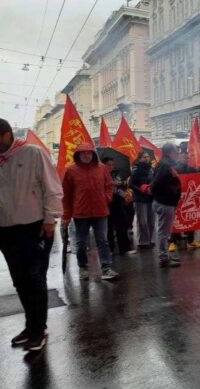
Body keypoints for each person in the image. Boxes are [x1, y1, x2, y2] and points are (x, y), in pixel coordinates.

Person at [0, 118, 63, 352]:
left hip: (34, 227)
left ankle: (39, 330)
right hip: (6, 230)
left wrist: (50, 219)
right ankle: (30, 326)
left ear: (7, 134)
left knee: (35, 279)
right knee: (20, 281)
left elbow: (52, 187)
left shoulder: (32, 153)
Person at [62, 142, 119, 281]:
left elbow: (109, 185)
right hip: (81, 212)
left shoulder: (102, 168)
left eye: (89, 152)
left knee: (103, 240)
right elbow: (66, 194)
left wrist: (106, 198)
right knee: (81, 242)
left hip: (100, 211)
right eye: (83, 153)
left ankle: (106, 267)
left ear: (93, 154)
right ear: (78, 155)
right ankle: (83, 267)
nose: (86, 155)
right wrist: (66, 215)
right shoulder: (71, 170)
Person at [151, 143, 183, 268]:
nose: (178, 154)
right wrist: (172, 191)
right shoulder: (165, 165)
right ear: (170, 152)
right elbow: (157, 183)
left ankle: (165, 256)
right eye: (176, 152)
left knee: (164, 232)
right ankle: (163, 258)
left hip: (164, 201)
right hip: (165, 202)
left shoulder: (164, 164)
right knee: (163, 233)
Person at [170, 151, 200, 250]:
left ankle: (190, 240)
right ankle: (172, 241)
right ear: (179, 157)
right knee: (175, 219)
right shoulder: (174, 168)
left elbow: (198, 179)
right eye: (183, 156)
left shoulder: (191, 169)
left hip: (189, 197)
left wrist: (199, 170)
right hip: (177, 197)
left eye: (187, 157)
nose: (185, 158)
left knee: (190, 218)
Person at [104, 158, 133, 255]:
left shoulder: (116, 174)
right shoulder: (100, 175)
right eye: (108, 165)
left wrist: (122, 188)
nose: (111, 167)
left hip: (118, 202)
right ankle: (110, 249)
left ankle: (124, 248)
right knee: (108, 228)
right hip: (106, 203)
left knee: (122, 225)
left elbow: (121, 188)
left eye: (112, 165)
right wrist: (111, 185)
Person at [130, 151, 155, 249]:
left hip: (150, 197)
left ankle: (151, 239)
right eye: (144, 157)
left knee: (151, 221)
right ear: (140, 158)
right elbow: (131, 184)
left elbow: (154, 180)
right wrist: (141, 189)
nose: (146, 158)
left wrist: (152, 188)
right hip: (140, 198)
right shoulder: (136, 169)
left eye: (148, 156)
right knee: (142, 221)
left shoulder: (151, 169)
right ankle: (143, 241)